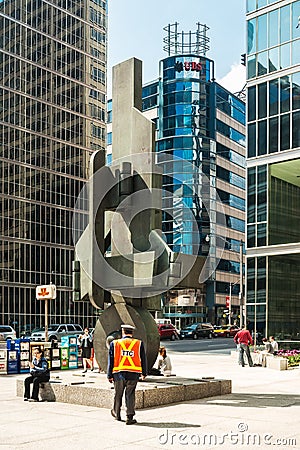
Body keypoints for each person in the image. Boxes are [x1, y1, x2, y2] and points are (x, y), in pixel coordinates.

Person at [107, 324, 147, 425]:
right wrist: (144, 373)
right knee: (130, 394)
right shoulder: (139, 343)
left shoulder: (114, 343)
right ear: (132, 333)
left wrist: (109, 375)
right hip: (133, 374)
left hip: (118, 373)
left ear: (123, 332)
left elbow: (110, 360)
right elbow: (143, 359)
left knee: (118, 394)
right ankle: (130, 417)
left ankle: (117, 414)